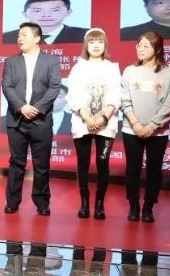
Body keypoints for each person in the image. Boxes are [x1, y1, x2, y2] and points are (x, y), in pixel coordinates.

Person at [2, 22, 62, 216]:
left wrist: (37, 108)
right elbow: (7, 87)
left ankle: (42, 202)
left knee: (41, 165)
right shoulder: (11, 61)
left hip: (41, 120)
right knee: (16, 163)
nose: (19, 38)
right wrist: (21, 107)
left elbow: (54, 87)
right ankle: (12, 202)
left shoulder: (51, 61)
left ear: (37, 38)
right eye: (19, 35)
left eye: (24, 35)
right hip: (17, 120)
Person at [120, 31, 170, 223]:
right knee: (132, 169)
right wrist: (136, 124)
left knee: (154, 170)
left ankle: (148, 208)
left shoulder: (169, 73)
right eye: (139, 45)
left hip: (158, 132)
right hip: (132, 129)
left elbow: (169, 104)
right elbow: (124, 100)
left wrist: (152, 126)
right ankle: (134, 206)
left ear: (157, 49)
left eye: (146, 46)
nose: (140, 49)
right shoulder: (130, 71)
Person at [65, 28, 121, 219]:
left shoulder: (112, 68)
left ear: (105, 45)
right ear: (86, 45)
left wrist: (103, 118)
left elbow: (116, 95)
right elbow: (72, 95)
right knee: (83, 162)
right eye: (92, 42)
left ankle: (99, 204)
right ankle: (84, 203)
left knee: (102, 162)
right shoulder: (78, 67)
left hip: (107, 121)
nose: (96, 46)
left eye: (100, 42)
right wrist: (87, 118)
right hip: (82, 122)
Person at [2, 0, 89, 44]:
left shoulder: (86, 35)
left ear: (68, 12)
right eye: (37, 11)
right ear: (24, 14)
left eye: (55, 10)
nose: (46, 15)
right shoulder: (8, 37)